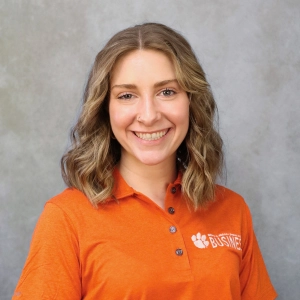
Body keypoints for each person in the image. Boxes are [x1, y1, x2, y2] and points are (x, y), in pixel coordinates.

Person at [12, 23, 277, 299]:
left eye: (167, 92)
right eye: (127, 95)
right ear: (106, 109)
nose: (149, 115)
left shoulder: (233, 210)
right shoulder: (66, 218)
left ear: (191, 101)